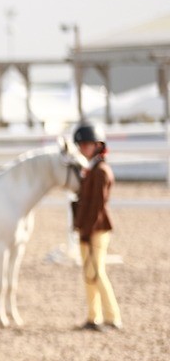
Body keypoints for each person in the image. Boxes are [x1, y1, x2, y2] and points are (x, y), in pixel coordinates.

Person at [71, 124, 122, 331]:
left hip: (96, 228)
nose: (83, 148)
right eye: (81, 145)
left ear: (97, 145)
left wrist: (86, 230)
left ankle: (113, 316)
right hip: (87, 227)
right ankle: (94, 316)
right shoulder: (91, 169)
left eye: (87, 144)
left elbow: (97, 206)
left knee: (98, 271)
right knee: (88, 272)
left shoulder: (100, 171)